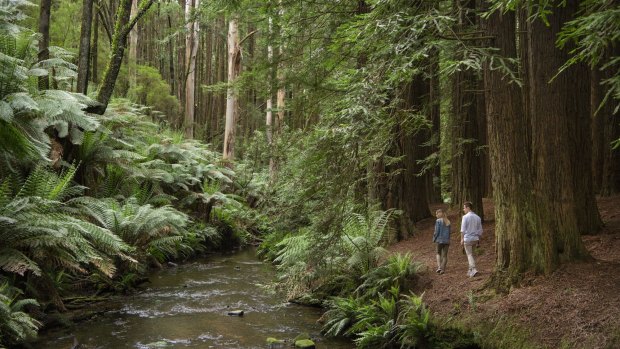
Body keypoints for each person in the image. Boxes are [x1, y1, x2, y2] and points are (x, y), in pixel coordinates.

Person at [460, 201, 482, 277]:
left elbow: (462, 229)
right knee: (472, 255)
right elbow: (480, 230)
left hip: (468, 239)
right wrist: (479, 239)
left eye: (464, 208)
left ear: (468, 208)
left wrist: (462, 239)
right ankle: (470, 271)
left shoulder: (465, 217)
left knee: (469, 254)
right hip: (475, 239)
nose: (463, 209)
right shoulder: (478, 217)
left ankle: (474, 269)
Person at [432, 208, 451, 274]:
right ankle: (443, 269)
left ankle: (439, 267)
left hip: (439, 240)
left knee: (438, 253)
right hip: (447, 241)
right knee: (445, 255)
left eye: (436, 214)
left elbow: (436, 232)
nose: (436, 215)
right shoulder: (448, 221)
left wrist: (434, 239)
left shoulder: (438, 221)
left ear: (439, 214)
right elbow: (449, 232)